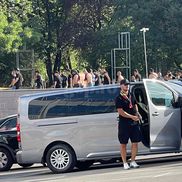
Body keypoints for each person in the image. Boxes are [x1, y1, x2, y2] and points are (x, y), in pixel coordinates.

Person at [115, 79, 141, 170]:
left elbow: (134, 105)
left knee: (135, 142)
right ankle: (125, 162)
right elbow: (120, 111)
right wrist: (131, 117)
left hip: (133, 123)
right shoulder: (118, 98)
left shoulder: (131, 95)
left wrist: (137, 113)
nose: (127, 86)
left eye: (128, 85)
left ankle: (133, 161)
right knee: (123, 144)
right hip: (124, 124)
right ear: (121, 86)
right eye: (125, 85)